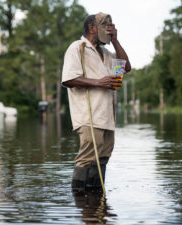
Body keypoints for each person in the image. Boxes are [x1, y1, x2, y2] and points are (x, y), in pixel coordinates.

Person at [61, 13, 131, 192]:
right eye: (105, 25)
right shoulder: (78, 47)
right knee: (87, 158)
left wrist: (115, 40)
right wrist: (98, 82)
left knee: (102, 158)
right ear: (92, 28)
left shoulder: (107, 53)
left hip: (108, 116)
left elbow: (126, 68)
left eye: (111, 25)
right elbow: (68, 79)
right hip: (88, 116)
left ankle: (94, 199)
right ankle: (79, 198)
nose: (109, 28)